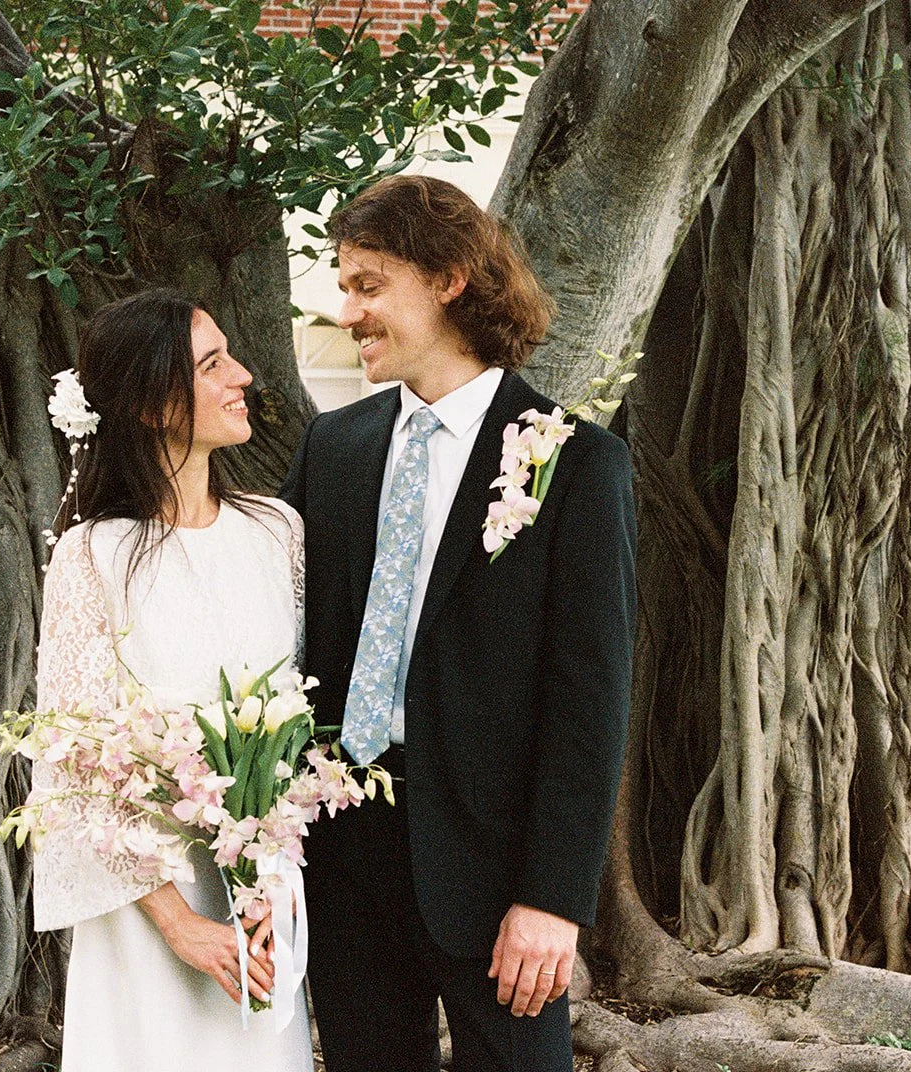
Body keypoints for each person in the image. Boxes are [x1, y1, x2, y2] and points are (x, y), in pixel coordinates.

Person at [281, 175, 637, 1072]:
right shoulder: (335, 448)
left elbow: (589, 698)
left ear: (449, 279)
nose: (348, 311)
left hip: (494, 866)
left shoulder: (572, 462)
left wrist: (554, 898)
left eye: (369, 286)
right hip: (346, 845)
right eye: (343, 285)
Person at [31, 290, 313, 1071]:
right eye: (213, 363)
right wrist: (179, 923)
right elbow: (73, 763)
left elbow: (295, 720)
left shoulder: (276, 533)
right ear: (156, 405)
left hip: (259, 894)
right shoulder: (93, 558)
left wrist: (267, 870)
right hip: (148, 906)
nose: (244, 376)